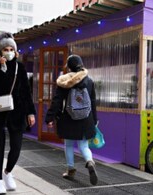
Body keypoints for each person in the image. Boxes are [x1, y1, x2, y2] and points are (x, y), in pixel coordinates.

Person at [0, 32, 36, 194]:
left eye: (12, 48)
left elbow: (26, 92)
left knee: (17, 147)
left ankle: (7, 172)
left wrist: (30, 113)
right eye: (6, 48)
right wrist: (2, 69)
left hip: (17, 111)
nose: (9, 51)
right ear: (0, 51)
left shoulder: (20, 67)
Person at [45, 54, 99, 185]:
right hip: (86, 118)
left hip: (68, 118)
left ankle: (70, 170)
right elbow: (93, 102)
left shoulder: (64, 82)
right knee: (84, 145)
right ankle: (89, 161)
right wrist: (95, 119)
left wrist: (50, 117)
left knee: (68, 145)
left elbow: (57, 101)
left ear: (69, 67)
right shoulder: (89, 81)